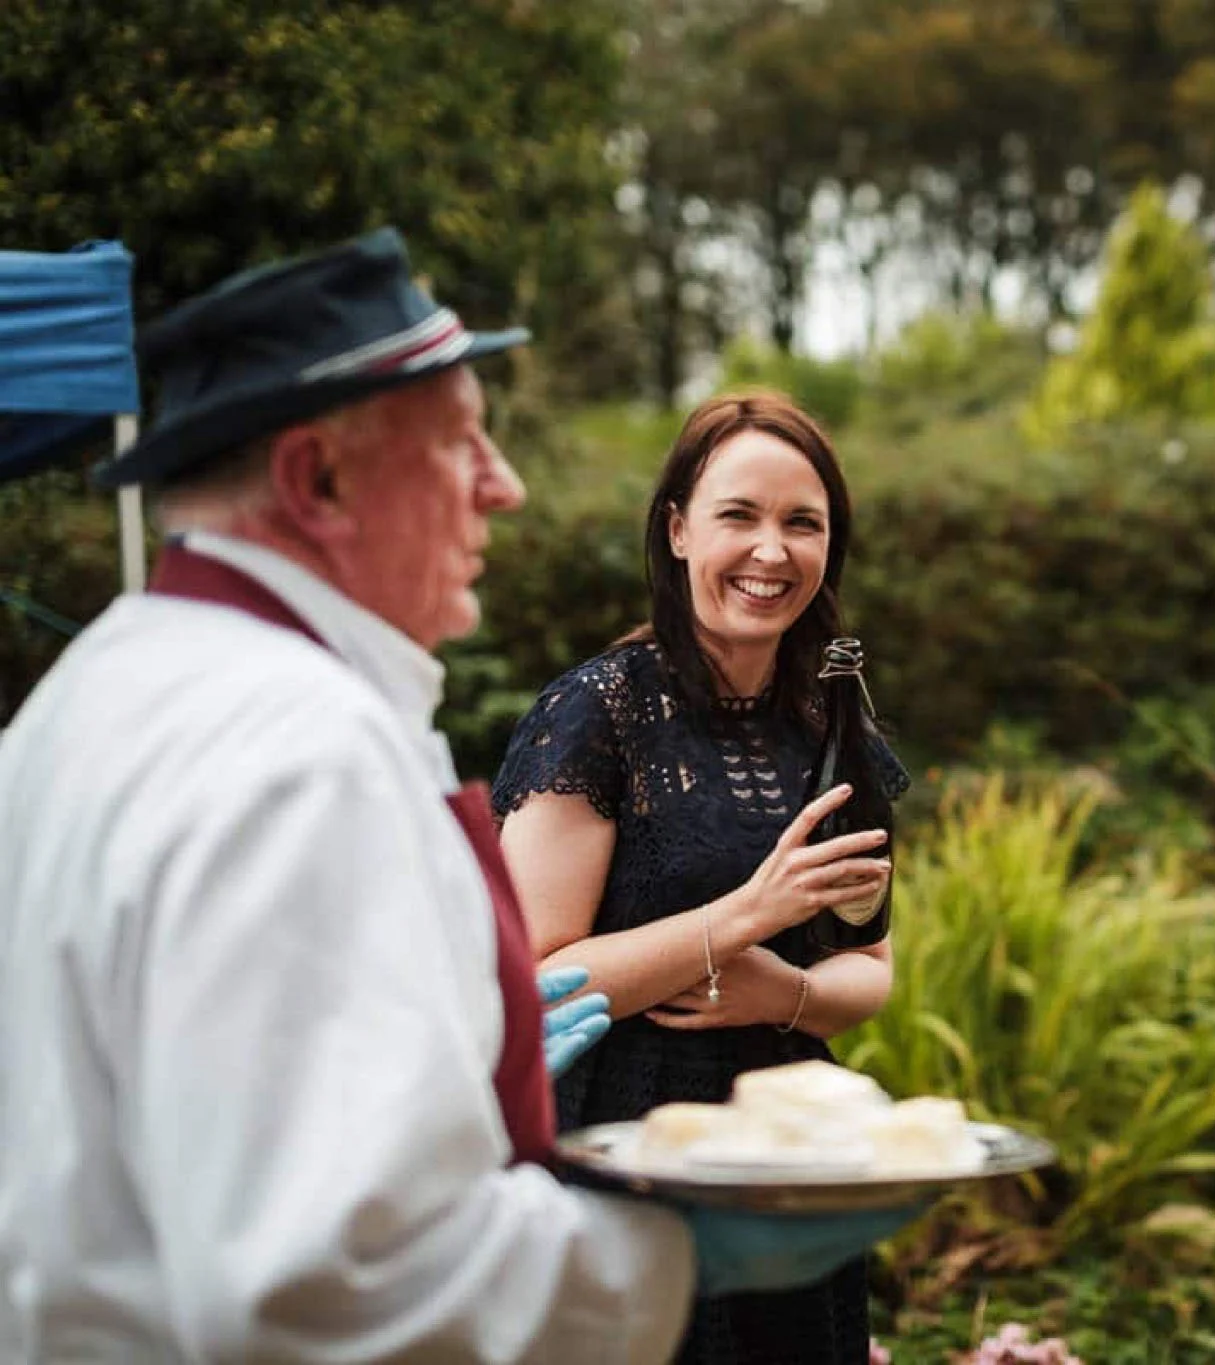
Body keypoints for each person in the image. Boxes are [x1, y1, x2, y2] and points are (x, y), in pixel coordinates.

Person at [0, 228, 908, 1362]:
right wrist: (682, 1255)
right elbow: (326, 1278)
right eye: (462, 446)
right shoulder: (297, 754)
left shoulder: (91, 691)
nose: (505, 486)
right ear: (316, 479)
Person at [493, 390, 906, 1365]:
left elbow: (870, 969)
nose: (772, 551)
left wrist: (789, 992)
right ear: (678, 530)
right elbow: (526, 985)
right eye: (738, 516)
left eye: (801, 523)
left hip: (789, 1160)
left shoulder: (832, 730)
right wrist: (740, 918)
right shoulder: (597, 715)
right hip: (621, 1153)